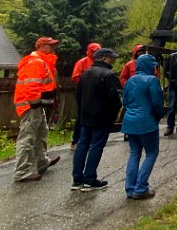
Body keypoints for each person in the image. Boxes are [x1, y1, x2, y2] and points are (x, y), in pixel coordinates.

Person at [12, 36, 62, 182]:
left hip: (37, 106)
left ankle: (41, 162)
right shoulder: (35, 62)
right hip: (31, 106)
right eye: (50, 45)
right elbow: (31, 85)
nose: (53, 48)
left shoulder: (41, 62)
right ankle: (22, 172)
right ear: (42, 47)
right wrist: (35, 104)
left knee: (41, 132)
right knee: (27, 138)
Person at [72, 47, 122, 191]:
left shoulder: (86, 73)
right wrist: (113, 116)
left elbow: (78, 95)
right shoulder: (109, 75)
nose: (113, 59)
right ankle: (90, 179)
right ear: (104, 58)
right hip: (101, 117)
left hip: (85, 116)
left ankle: (77, 179)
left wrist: (82, 112)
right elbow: (114, 98)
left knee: (82, 145)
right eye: (111, 57)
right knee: (96, 146)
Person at [121, 53, 164, 200]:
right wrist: (157, 117)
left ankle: (130, 188)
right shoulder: (152, 80)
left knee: (134, 153)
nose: (155, 69)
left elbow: (125, 102)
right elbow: (157, 104)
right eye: (154, 66)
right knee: (151, 153)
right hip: (146, 122)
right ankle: (141, 188)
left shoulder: (130, 81)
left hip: (130, 122)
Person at [70, 42, 101, 149]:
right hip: (84, 93)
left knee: (95, 115)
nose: (96, 53)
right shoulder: (82, 62)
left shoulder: (100, 63)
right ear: (89, 52)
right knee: (81, 115)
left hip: (96, 94)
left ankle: (91, 139)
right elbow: (75, 77)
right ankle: (75, 140)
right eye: (94, 51)